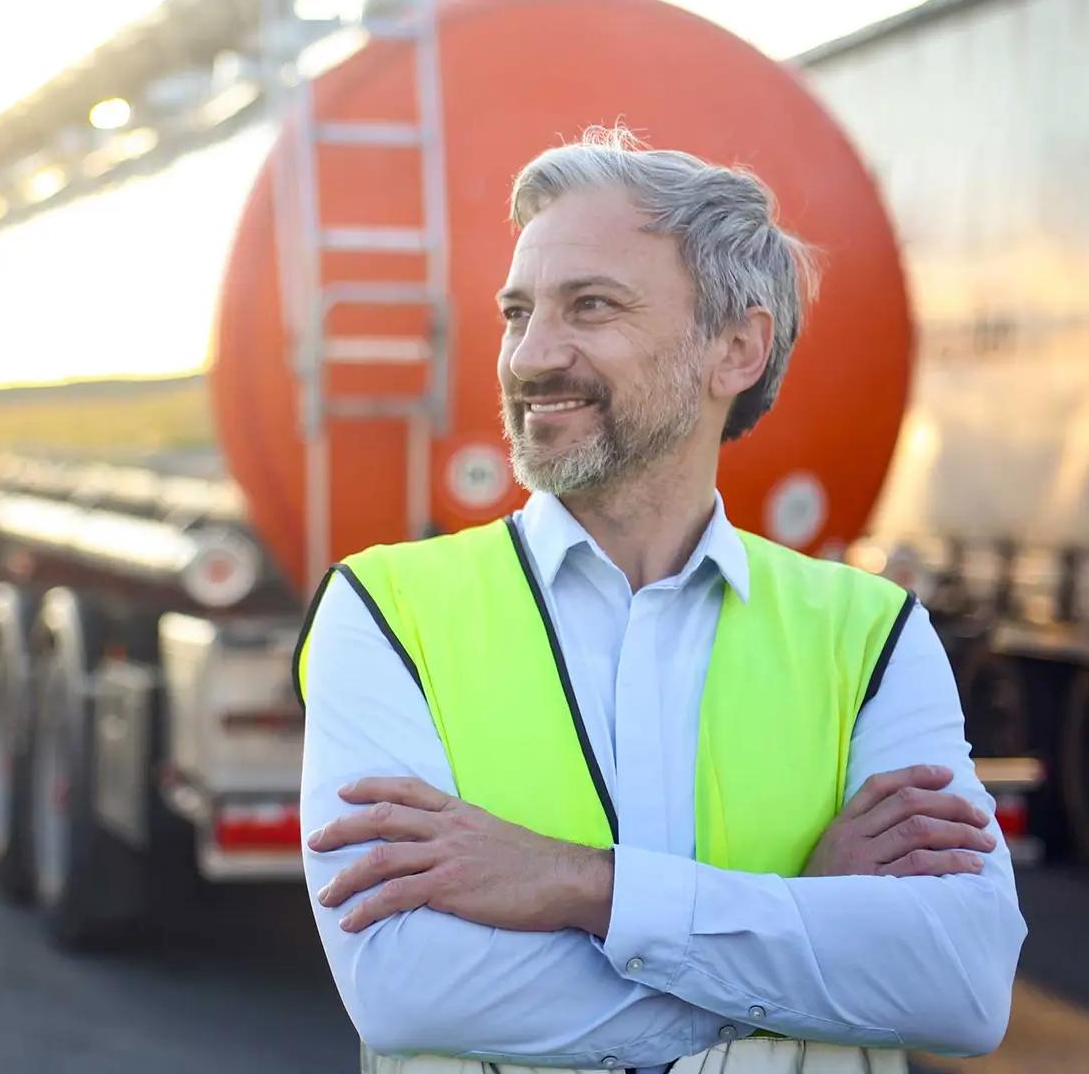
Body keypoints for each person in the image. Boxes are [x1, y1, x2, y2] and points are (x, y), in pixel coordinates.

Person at [297, 127, 1026, 1074]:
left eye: (589, 307)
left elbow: (961, 988)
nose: (530, 357)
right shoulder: (386, 611)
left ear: (736, 348)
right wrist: (796, 921)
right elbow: (409, 988)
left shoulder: (871, 633)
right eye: (518, 314)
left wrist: (580, 887)